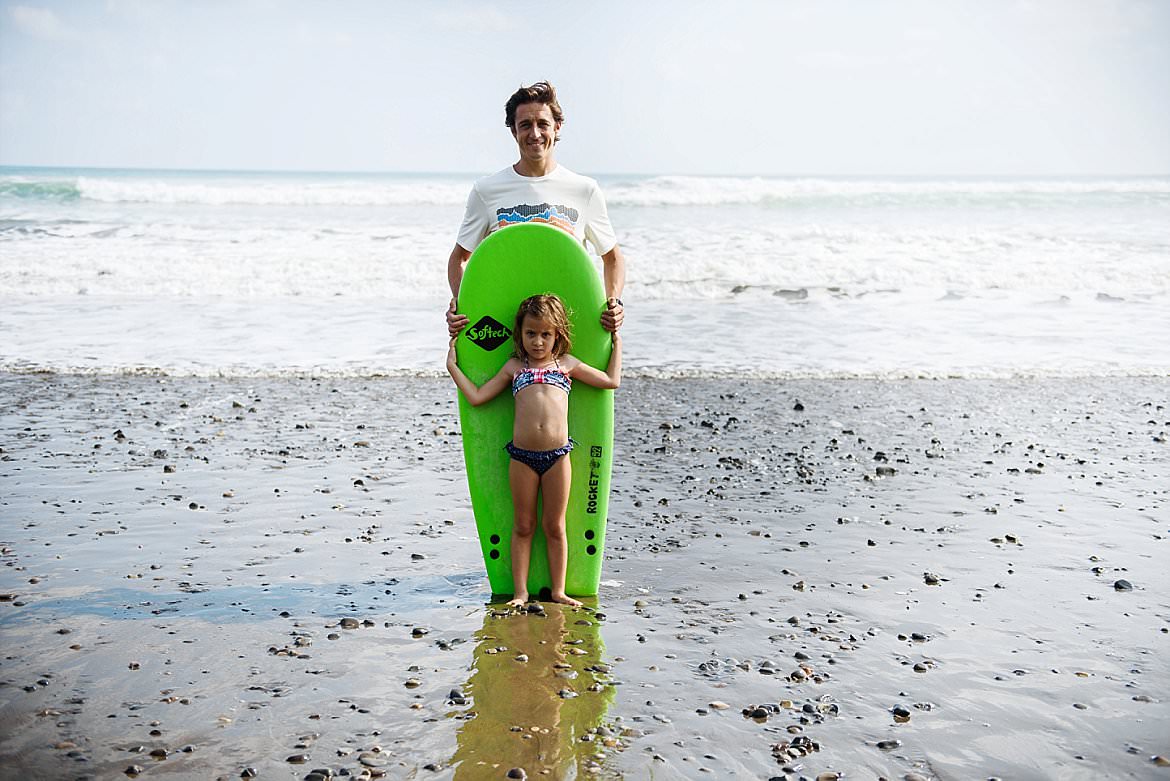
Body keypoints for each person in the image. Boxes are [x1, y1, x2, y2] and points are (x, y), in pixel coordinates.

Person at [446, 294, 622, 607]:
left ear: (558, 335)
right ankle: (520, 593)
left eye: (545, 334)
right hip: (522, 457)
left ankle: (558, 591)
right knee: (523, 525)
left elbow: (610, 381)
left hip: (558, 457)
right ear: (520, 334)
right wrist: (452, 366)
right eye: (531, 334)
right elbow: (476, 397)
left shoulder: (566, 364)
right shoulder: (514, 367)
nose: (538, 342)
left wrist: (616, 340)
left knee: (555, 527)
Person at [445, 81, 626, 338]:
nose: (535, 133)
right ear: (513, 131)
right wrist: (463, 304)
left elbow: (613, 258)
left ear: (557, 126)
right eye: (525, 125)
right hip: (505, 317)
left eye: (543, 124)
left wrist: (613, 302)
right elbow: (459, 258)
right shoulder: (487, 190)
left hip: (565, 321)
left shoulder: (584, 190)